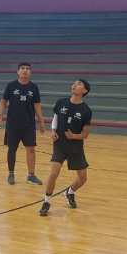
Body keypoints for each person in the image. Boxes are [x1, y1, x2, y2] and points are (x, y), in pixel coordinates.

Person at [40, 80, 93, 217]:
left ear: (85, 91)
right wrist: (53, 131)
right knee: (54, 173)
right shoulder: (61, 103)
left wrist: (74, 136)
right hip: (60, 144)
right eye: (74, 83)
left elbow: (85, 134)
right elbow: (55, 118)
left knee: (83, 178)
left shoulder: (86, 110)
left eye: (79, 84)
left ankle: (70, 192)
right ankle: (46, 202)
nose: (74, 85)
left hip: (75, 147)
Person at [0, 63, 44, 185]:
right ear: (18, 72)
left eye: (27, 69)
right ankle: (11, 174)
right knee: (12, 149)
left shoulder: (34, 87)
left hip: (29, 124)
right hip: (13, 124)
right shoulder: (11, 86)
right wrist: (0, 114)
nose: (25, 70)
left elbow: (37, 105)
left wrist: (41, 121)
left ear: (30, 72)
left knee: (31, 149)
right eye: (22, 68)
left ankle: (31, 175)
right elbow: (3, 101)